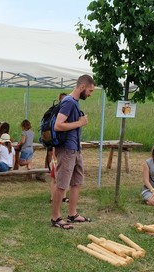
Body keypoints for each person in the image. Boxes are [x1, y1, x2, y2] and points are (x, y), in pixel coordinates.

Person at [50, 75, 93, 229]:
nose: (90, 94)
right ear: (82, 87)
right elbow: (58, 125)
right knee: (62, 184)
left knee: (76, 182)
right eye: (90, 90)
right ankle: (55, 218)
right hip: (67, 149)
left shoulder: (74, 102)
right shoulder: (68, 102)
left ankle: (72, 214)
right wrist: (80, 123)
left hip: (75, 149)